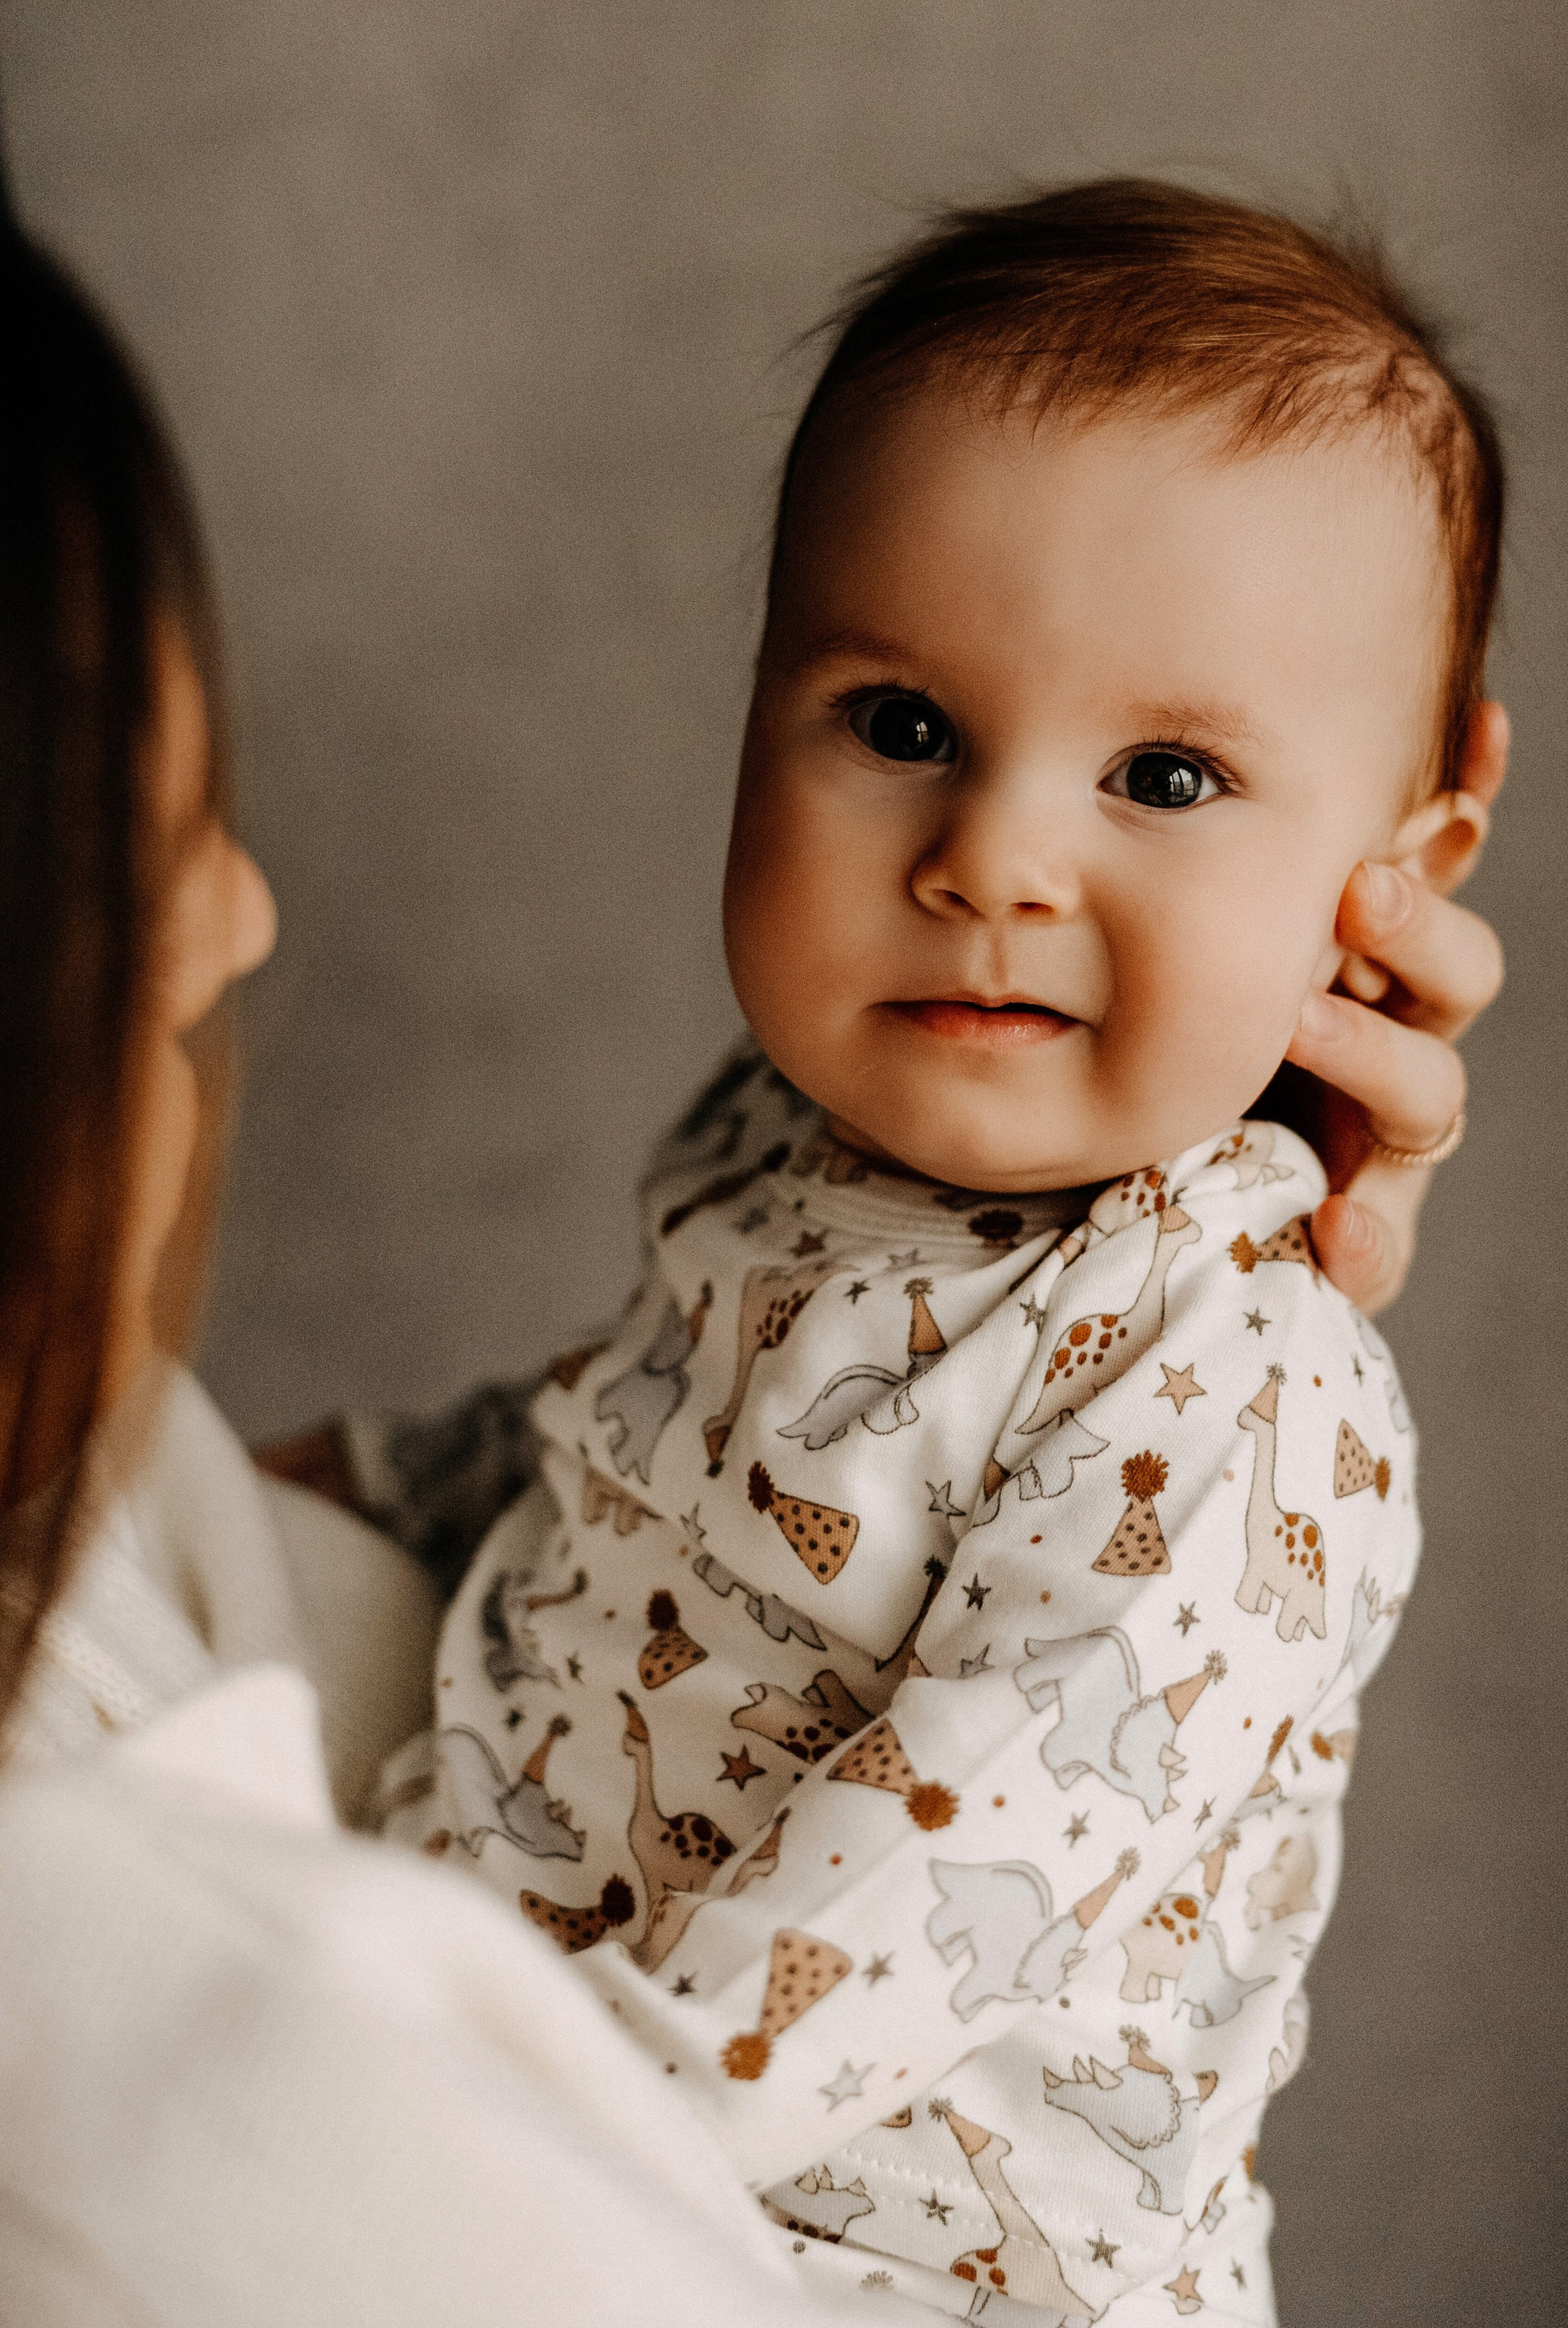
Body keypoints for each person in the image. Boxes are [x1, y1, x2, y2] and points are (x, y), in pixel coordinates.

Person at [380, 181, 1508, 2324]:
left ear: (1396, 873)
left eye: (1163, 773)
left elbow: (938, 1885)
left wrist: (492, 2141)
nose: (993, 860)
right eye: (904, 725)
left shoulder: (1233, 1392)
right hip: (551, 2108)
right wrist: (359, 1486)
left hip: (858, 2249)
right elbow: (625, 1457)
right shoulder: (773, 1138)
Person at [0, 216, 817, 2325]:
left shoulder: (113, 1486)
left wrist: (1114, 1338)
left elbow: (584, 1485)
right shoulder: (211, 2101)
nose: (240, 919)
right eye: (115, 852)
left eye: (1166, 779)